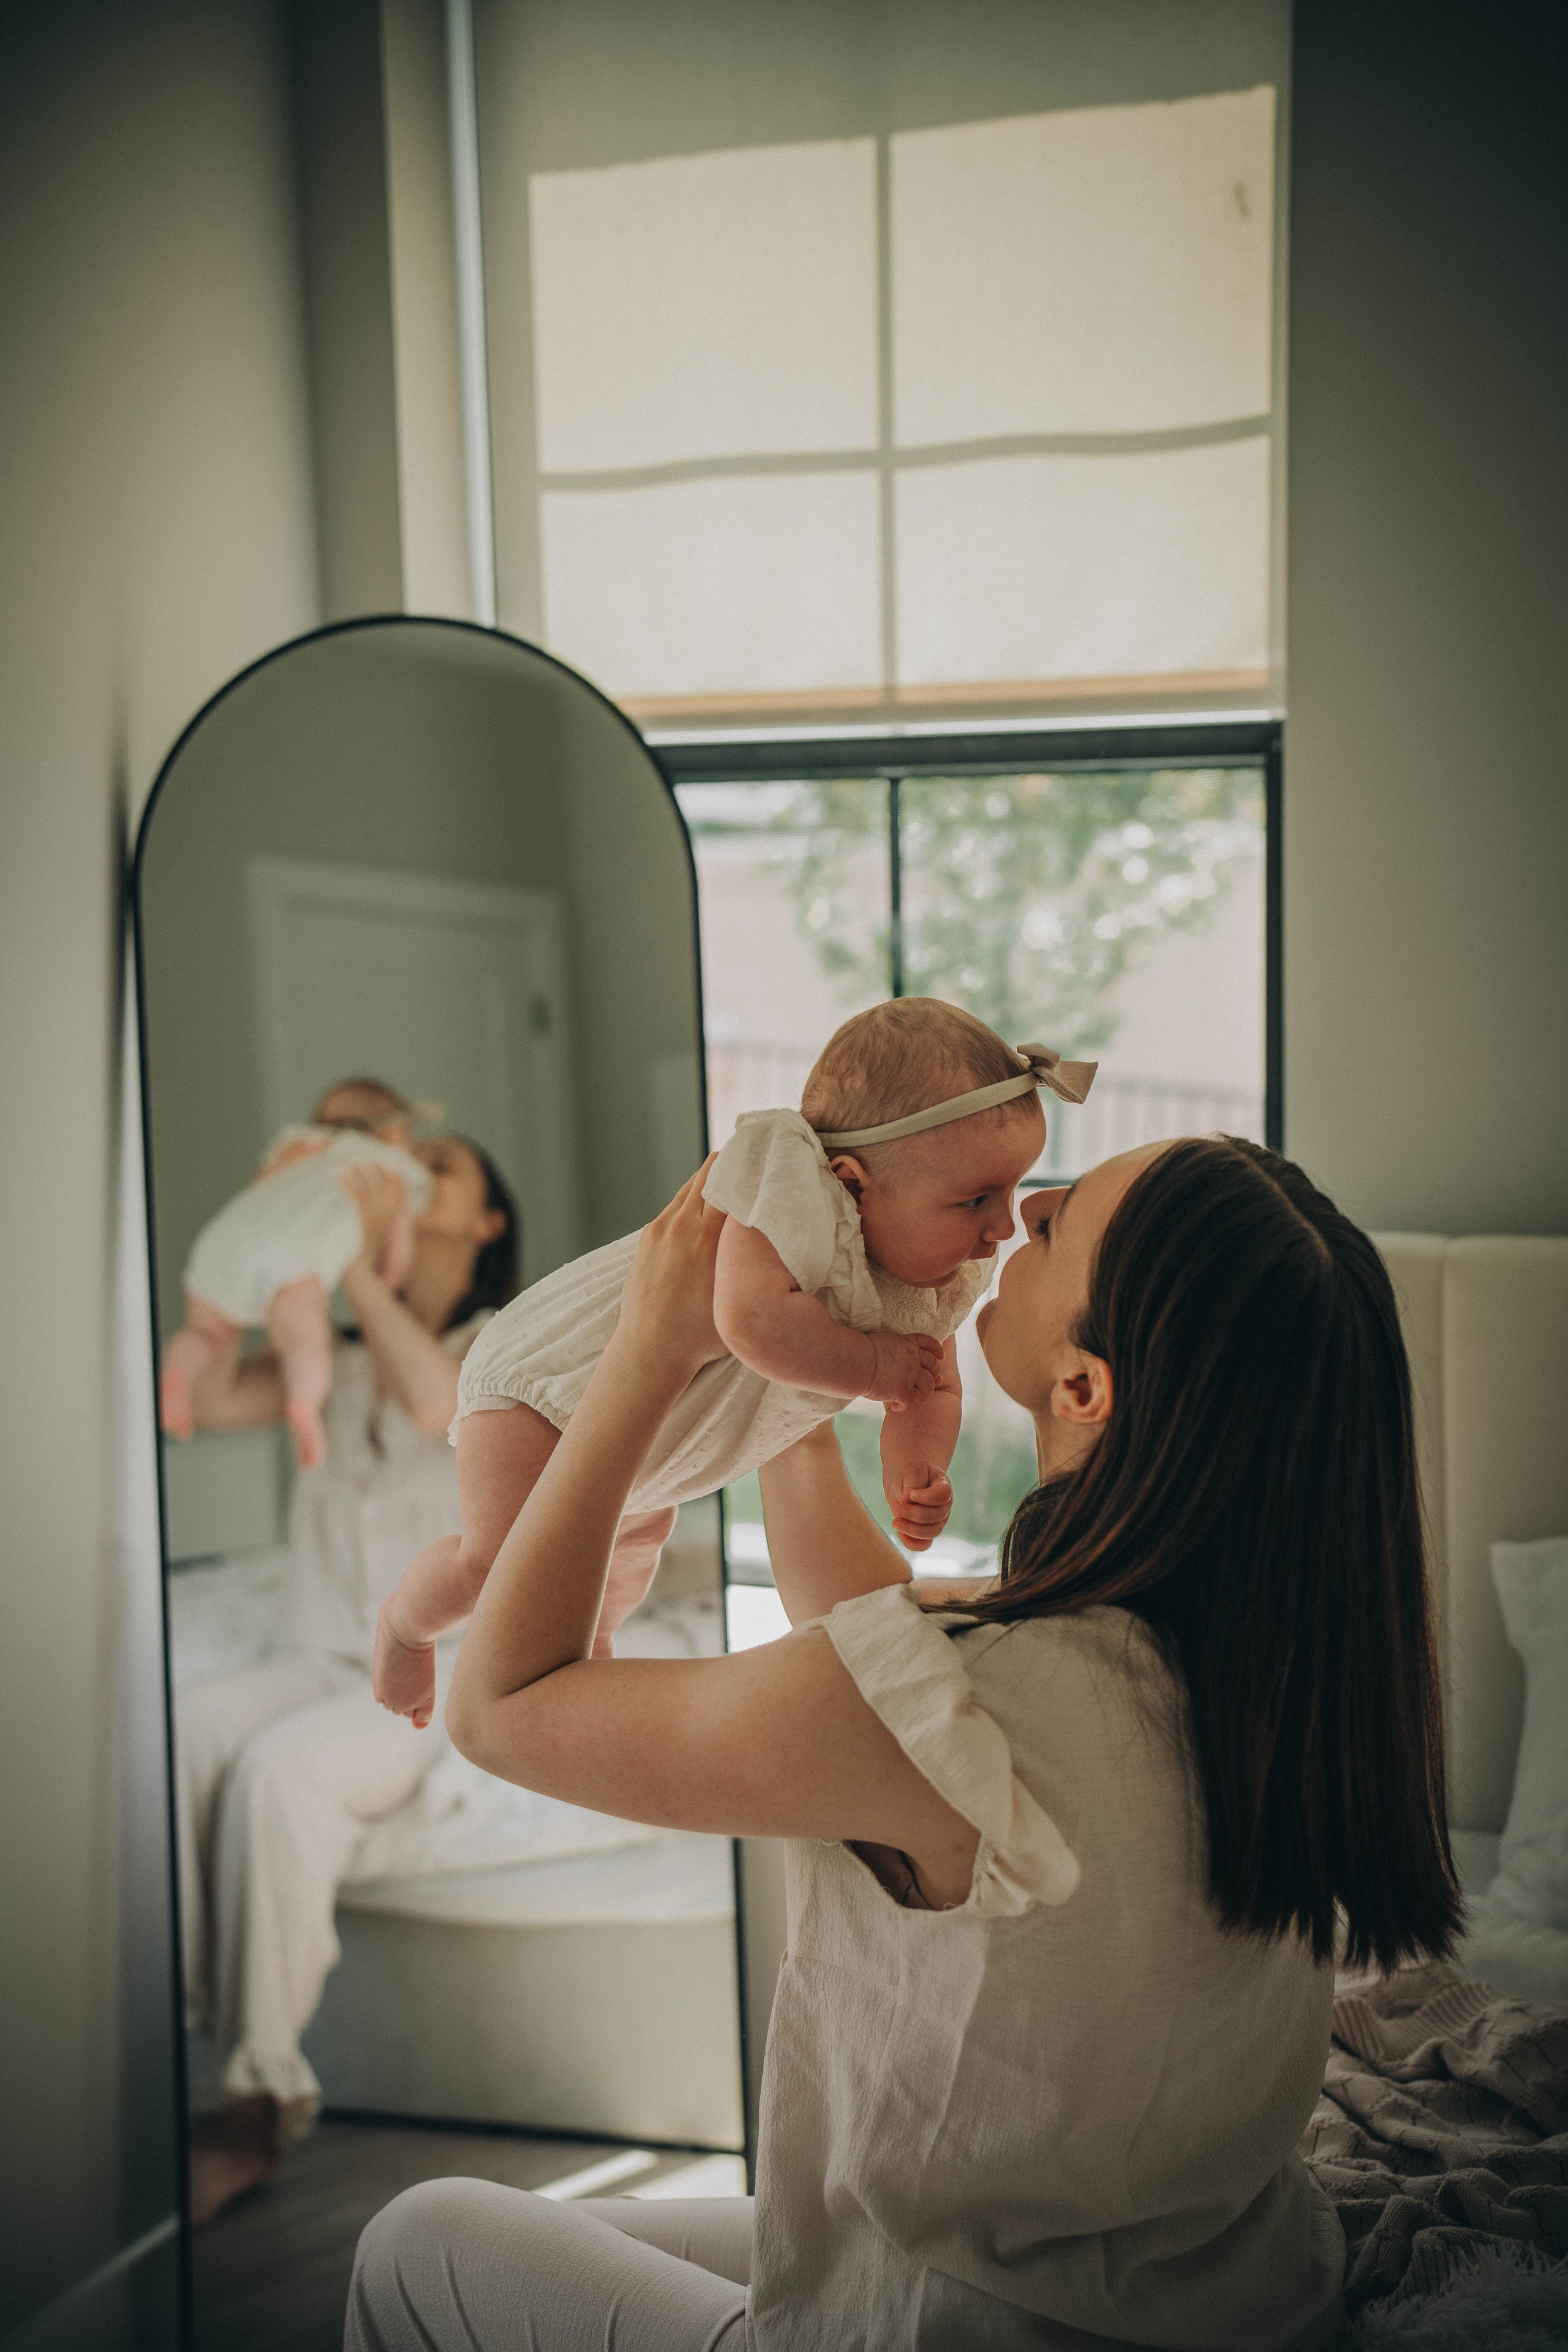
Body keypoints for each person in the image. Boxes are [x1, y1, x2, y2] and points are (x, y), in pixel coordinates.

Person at [346, 1136, 1463, 2352]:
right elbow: (881, 1643)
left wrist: (647, 1355)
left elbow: (504, 1706)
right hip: (1212, 2294)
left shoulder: (976, 1702)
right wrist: (778, 1343)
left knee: (420, 2239)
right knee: (665, 2233)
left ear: (1084, 1388)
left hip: (966, 2326)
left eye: (1054, 1224)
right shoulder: (1254, 1663)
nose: (1022, 1207)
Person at [373, 1000, 1095, 1728]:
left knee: (626, 1553)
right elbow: (749, 1323)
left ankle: (583, 1647)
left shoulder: (934, 1272)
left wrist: (917, 1465)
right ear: (850, 1182)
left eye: (1010, 1193)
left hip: (660, 1436)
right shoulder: (787, 1193)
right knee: (503, 1566)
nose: (1002, 1228)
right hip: (548, 1394)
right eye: (975, 1200)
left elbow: (930, 1384)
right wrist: (874, 1366)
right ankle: (406, 1626)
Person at [174, 1130, 519, 2223]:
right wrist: (269, 1247)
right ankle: (165, 2031)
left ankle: (254, 2104)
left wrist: (364, 1258)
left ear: (482, 1221)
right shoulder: (339, 1349)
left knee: (281, 1775)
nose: (405, 1179)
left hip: (433, 1677)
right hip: (314, 1652)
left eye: (437, 1171)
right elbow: (204, 1401)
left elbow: (437, 1407)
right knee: (180, 1735)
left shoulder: (505, 1350)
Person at [160, 1076, 436, 1470]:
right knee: (304, 1340)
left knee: (206, 1332)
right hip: (293, 1260)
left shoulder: (298, 1145)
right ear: (396, 1132)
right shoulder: (395, 1173)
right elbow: (399, 1257)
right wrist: (386, 1279)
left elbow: (263, 1185)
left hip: (221, 1242)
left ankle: (177, 1378)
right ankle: (305, 1403)